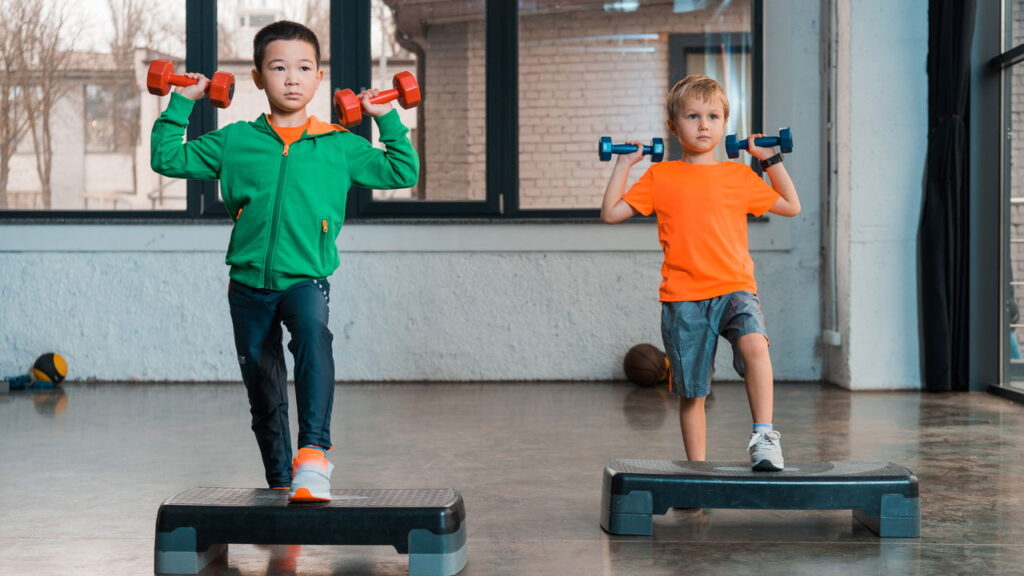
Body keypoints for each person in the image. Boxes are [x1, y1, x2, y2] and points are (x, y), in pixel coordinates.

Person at [150, 21, 419, 500]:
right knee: (263, 384)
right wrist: (182, 101)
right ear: (257, 77)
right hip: (248, 284)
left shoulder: (337, 144)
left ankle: (313, 455)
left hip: (306, 279)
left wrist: (385, 117)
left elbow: (402, 169)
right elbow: (167, 159)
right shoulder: (235, 141)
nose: (291, 77)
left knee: (314, 339)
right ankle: (280, 483)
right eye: (278, 67)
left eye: (303, 67)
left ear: (319, 79)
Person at [600, 75, 800, 471]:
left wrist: (769, 160)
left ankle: (764, 436)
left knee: (756, 346)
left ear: (725, 124)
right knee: (693, 393)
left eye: (712, 116)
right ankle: (697, 471)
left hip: (734, 288)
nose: (703, 125)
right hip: (683, 298)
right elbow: (610, 214)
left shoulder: (740, 177)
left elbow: (791, 206)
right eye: (692, 116)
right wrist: (624, 164)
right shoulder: (659, 177)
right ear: (674, 127)